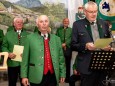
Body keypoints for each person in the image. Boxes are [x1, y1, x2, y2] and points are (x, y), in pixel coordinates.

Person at [71, 1, 112, 86]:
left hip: (102, 65)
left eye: (95, 11)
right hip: (86, 66)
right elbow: (73, 45)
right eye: (91, 12)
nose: (94, 14)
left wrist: (108, 47)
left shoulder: (104, 24)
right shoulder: (77, 25)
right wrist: (85, 46)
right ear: (85, 12)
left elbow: (109, 41)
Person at [21, 15, 66, 86]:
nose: (44, 23)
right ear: (37, 24)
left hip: (53, 76)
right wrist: (24, 76)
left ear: (49, 23)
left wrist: (62, 73)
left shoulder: (56, 39)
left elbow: (61, 59)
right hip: (36, 75)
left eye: (46, 21)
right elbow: (24, 60)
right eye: (41, 21)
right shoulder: (29, 39)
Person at [2, 17, 29, 86]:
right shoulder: (8, 34)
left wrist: (26, 53)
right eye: (18, 22)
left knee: (25, 83)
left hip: (24, 63)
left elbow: (31, 48)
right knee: (12, 83)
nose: (19, 23)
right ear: (14, 24)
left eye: (21, 22)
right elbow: (4, 46)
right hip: (12, 63)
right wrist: (8, 53)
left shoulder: (28, 35)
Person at [56, 18, 72, 82]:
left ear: (69, 22)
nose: (66, 22)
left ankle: (67, 79)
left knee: (67, 64)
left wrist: (65, 44)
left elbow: (72, 38)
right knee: (60, 63)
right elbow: (56, 37)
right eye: (65, 21)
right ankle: (59, 78)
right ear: (63, 22)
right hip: (60, 48)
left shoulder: (71, 30)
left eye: (67, 21)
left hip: (68, 48)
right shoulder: (59, 30)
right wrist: (61, 44)